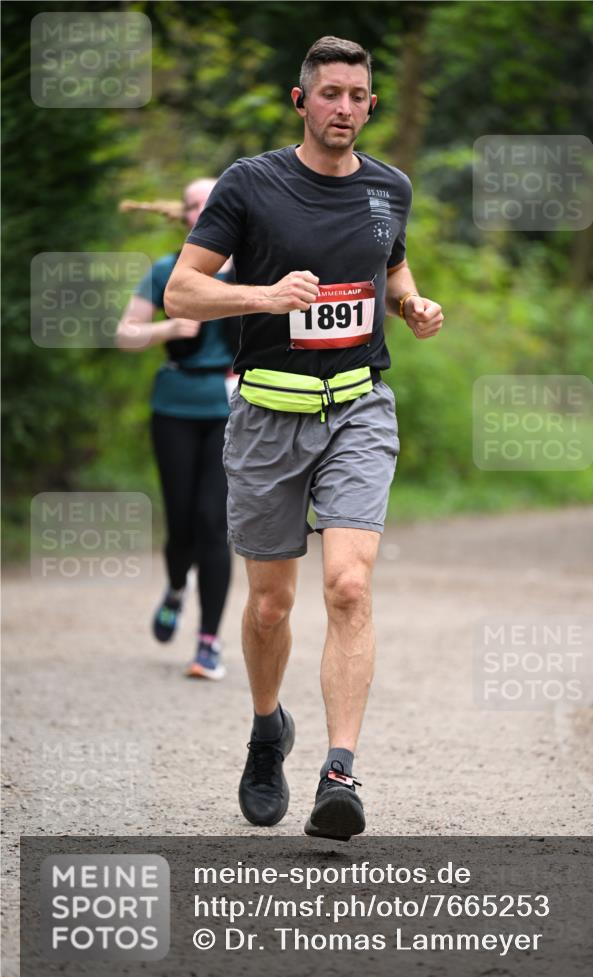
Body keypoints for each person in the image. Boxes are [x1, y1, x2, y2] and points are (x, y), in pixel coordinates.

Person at [164, 37, 444, 839]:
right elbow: (184, 290)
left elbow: (390, 269)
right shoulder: (250, 184)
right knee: (268, 606)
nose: (343, 110)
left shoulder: (390, 188)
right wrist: (263, 295)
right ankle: (265, 733)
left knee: (349, 586)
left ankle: (339, 773)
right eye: (329, 94)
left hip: (357, 405)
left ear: (371, 105)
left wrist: (412, 305)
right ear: (301, 101)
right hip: (265, 416)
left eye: (357, 97)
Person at [116, 178, 239, 681]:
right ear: (183, 215)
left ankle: (208, 642)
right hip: (175, 406)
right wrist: (166, 328)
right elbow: (125, 333)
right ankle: (174, 585)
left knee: (215, 523)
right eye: (192, 206)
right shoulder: (167, 272)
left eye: (209, 205)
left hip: (234, 410)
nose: (199, 213)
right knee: (182, 524)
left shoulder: (253, 273)